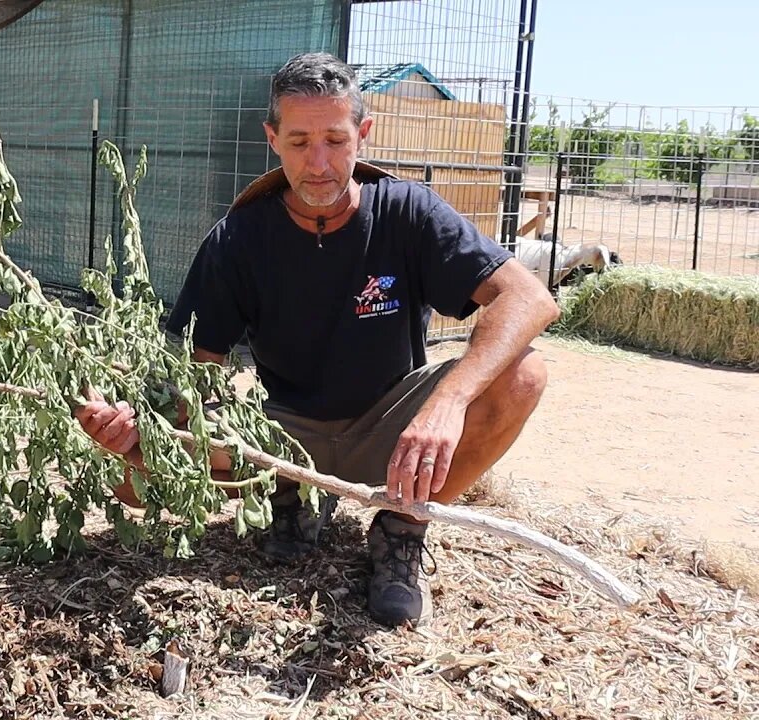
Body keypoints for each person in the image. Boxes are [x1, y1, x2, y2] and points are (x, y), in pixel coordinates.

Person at [74, 52, 559, 627]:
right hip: (281, 434)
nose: (320, 162)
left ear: (364, 134)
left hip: (391, 426)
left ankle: (402, 528)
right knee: (129, 480)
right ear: (272, 139)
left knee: (523, 374)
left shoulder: (407, 212)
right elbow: (192, 372)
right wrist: (138, 434)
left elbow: (529, 298)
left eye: (335, 138)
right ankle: (296, 497)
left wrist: (446, 405)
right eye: (300, 142)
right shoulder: (240, 238)